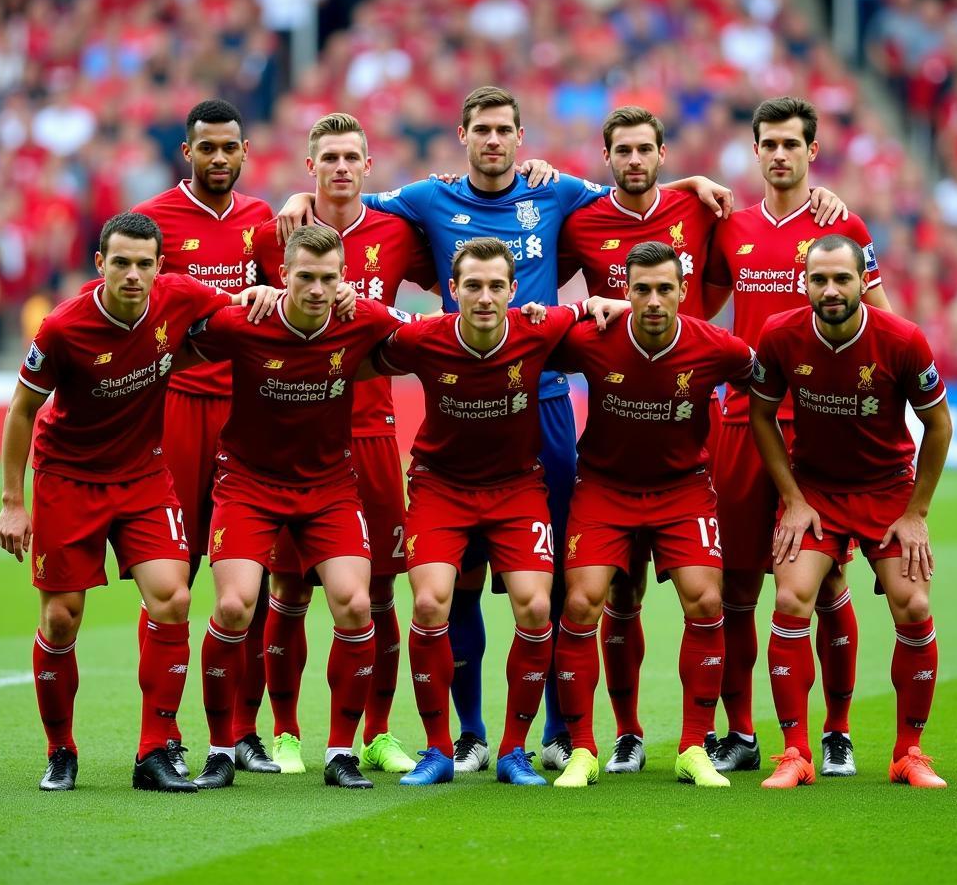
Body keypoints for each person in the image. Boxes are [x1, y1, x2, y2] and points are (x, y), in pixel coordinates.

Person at [278, 85, 731, 773]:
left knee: (545, 586)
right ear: (463, 134)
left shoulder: (558, 191)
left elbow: (630, 189)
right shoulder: (427, 200)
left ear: (521, 138)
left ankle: (554, 731)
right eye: (482, 130)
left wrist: (690, 182)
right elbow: (353, 204)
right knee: (452, 586)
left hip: (542, 403)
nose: (493, 141)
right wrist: (296, 201)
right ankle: (469, 732)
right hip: (459, 407)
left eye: (504, 131)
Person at [555, 104, 845, 775]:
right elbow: (531, 330)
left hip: (701, 467)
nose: (634, 159)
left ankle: (732, 739)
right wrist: (573, 308)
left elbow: (775, 364)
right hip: (607, 476)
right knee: (597, 599)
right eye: (621, 149)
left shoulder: (717, 326)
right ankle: (605, 740)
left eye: (645, 149)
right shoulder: (587, 261)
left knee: (756, 593)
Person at [0, 212, 274, 792]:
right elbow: (22, 410)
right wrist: (11, 502)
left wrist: (264, 293)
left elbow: (230, 310)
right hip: (68, 478)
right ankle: (60, 750)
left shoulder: (178, 296)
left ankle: (156, 749)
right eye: (120, 262)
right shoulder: (62, 327)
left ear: (159, 267)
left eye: (144, 264)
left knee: (173, 597)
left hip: (144, 475)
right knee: (61, 618)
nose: (132, 274)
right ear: (100, 265)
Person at [371, 237, 629, 786]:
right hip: (441, 488)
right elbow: (371, 318)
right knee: (430, 601)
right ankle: (439, 749)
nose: (484, 297)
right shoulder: (426, 337)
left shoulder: (538, 326)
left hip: (516, 491)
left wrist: (612, 303)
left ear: (514, 291)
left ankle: (514, 750)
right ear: (451, 292)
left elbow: (590, 309)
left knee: (536, 608)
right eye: (472, 286)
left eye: (495, 287)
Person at [186, 224, 416, 790]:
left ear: (343, 279)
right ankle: (221, 749)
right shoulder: (246, 321)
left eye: (328, 278)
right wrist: (230, 295)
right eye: (305, 277)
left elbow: (431, 332)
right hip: (248, 484)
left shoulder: (362, 319)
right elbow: (179, 333)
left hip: (330, 487)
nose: (317, 289)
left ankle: (340, 752)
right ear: (282, 276)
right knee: (237, 607)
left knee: (356, 606)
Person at [703, 96, 891, 777]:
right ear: (755, 152)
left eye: (792, 143)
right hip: (741, 420)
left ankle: (836, 732)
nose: (779, 154)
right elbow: (698, 307)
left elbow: (885, 322)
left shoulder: (843, 225)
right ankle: (744, 731)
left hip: (818, 425)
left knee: (826, 576)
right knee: (736, 586)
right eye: (769, 143)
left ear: (813, 151)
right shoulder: (732, 227)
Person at [250, 112, 436, 775]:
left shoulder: (398, 232)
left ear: (367, 165)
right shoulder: (279, 233)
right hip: (294, 435)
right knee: (289, 589)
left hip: (372, 432)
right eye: (327, 157)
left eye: (350, 157)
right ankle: (284, 731)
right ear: (310, 167)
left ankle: (376, 733)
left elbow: (457, 280)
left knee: (378, 593)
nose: (338, 168)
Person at [551, 241, 755, 789]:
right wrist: (574, 307)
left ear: (683, 292)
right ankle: (589, 748)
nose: (654, 300)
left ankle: (694, 745)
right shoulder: (595, 339)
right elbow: (529, 343)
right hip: (604, 487)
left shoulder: (715, 346)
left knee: (707, 599)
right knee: (582, 600)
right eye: (641, 289)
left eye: (666, 288)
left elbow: (764, 380)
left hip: (682, 490)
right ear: (626, 292)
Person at [750, 234, 951, 788]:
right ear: (804, 283)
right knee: (791, 596)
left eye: (842, 278)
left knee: (912, 604)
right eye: (820, 279)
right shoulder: (780, 335)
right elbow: (761, 416)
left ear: (865, 280)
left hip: (886, 490)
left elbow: (939, 426)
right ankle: (795, 753)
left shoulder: (903, 339)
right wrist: (791, 498)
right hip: (815, 492)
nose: (831, 289)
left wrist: (917, 513)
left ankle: (908, 753)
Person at [133, 99, 278, 776]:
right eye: (206, 148)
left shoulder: (261, 221)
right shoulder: (153, 222)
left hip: (248, 410)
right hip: (180, 408)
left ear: (244, 150)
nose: (218, 157)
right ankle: (158, 734)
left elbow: (284, 297)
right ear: (186, 153)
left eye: (229, 147)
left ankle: (241, 731)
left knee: (243, 574)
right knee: (173, 575)